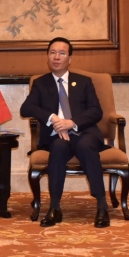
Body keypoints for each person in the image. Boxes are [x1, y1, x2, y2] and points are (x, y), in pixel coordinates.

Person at [18, 36, 108, 228]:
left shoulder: (84, 82)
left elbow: (96, 111)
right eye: (52, 53)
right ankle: (55, 207)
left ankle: (102, 205)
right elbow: (26, 109)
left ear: (70, 59)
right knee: (58, 148)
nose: (56, 57)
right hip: (56, 136)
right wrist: (53, 118)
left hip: (84, 132)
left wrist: (72, 123)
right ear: (47, 57)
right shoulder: (41, 83)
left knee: (85, 146)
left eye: (61, 53)